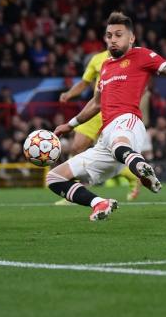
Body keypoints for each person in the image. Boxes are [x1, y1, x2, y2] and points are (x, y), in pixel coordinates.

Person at [49, 11, 166, 220]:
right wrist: (69, 125)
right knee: (54, 178)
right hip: (105, 140)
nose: (113, 40)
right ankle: (100, 203)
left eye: (118, 35)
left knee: (119, 143)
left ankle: (141, 169)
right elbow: (96, 103)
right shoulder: (106, 66)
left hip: (128, 121)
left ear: (131, 37)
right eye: (109, 36)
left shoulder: (142, 55)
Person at [57, 49, 140, 204]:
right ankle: (74, 190)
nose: (113, 39)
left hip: (115, 110)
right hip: (95, 109)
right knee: (76, 148)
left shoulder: (130, 58)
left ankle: (131, 176)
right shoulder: (97, 59)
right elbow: (84, 82)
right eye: (110, 35)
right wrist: (69, 94)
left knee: (108, 153)